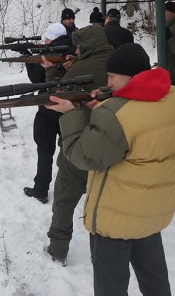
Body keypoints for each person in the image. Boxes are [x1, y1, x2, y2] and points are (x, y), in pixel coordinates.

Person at [47, 43, 175, 296]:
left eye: (112, 76)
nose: (108, 83)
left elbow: (82, 156)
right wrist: (105, 107)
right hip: (151, 210)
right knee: (155, 281)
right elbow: (137, 124)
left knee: (110, 287)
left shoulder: (116, 114)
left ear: (132, 76)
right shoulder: (174, 98)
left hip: (115, 217)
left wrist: (70, 114)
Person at [41, 25, 113, 265]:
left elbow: (58, 95)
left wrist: (51, 70)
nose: (77, 49)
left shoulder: (82, 67)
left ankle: (58, 248)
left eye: (80, 45)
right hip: (112, 143)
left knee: (64, 197)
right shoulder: (116, 61)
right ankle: (105, 250)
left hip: (81, 140)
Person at [22, 22, 72, 204]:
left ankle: (41, 189)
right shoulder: (73, 49)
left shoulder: (51, 54)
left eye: (47, 38)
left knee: (45, 150)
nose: (44, 40)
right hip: (69, 109)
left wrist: (27, 57)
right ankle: (77, 184)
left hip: (48, 109)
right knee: (70, 148)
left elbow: (36, 78)